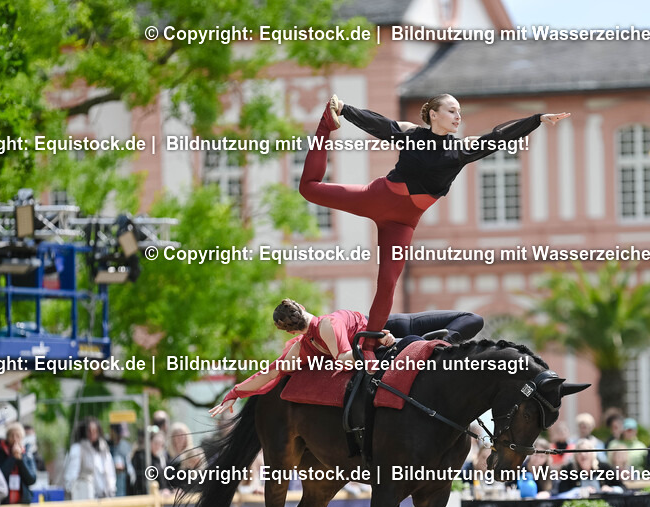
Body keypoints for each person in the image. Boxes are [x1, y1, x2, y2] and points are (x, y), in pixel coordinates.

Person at [301, 93, 570, 359]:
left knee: (388, 283)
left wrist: (536, 120)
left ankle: (369, 349)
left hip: (402, 223)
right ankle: (325, 123)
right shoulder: (411, 135)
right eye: (452, 111)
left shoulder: (461, 150)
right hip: (377, 198)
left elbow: (497, 137)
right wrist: (344, 110)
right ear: (434, 114)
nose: (458, 117)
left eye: (460, 112)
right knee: (309, 189)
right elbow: (382, 125)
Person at [210, 300, 485, 416]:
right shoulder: (302, 347)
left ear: (290, 329)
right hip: (389, 342)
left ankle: (434, 344)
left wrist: (234, 393)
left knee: (470, 320)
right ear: (303, 308)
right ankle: (425, 346)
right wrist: (234, 392)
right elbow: (345, 359)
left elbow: (268, 374)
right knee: (473, 319)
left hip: (394, 329)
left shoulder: (321, 331)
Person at [63, 417, 115, 500]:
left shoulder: (103, 449)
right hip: (85, 496)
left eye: (94, 431)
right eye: (89, 431)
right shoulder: (78, 449)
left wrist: (111, 490)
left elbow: (110, 472)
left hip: (104, 496)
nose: (92, 434)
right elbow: (71, 474)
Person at [0, 423, 38, 504]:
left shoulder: (27, 454)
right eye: (12, 436)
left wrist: (20, 460)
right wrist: (13, 457)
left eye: (18, 436)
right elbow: (0, 476)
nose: (15, 439)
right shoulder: (0, 453)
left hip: (22, 502)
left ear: (22, 438)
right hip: (4, 502)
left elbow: (32, 479)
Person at [109, 423, 136, 497]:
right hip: (110, 489)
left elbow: (130, 466)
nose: (118, 437)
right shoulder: (105, 445)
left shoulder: (126, 445)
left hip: (125, 488)